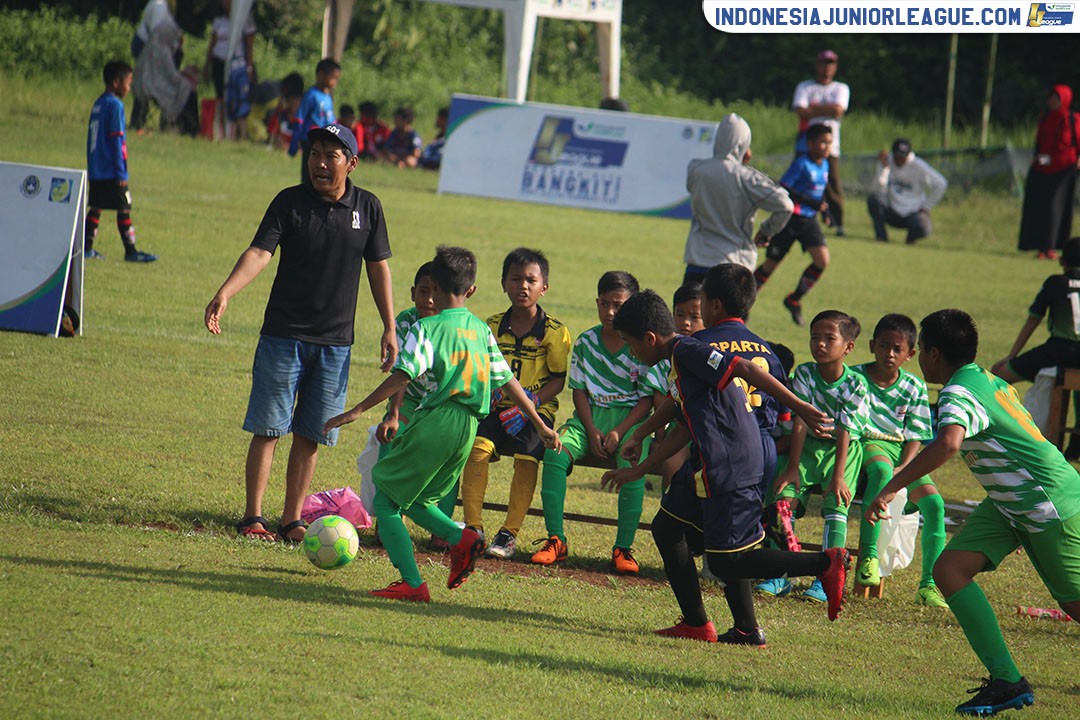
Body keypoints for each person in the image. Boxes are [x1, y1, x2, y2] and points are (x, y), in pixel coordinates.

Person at [601, 289, 849, 646]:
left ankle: (824, 564)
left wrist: (802, 407)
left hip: (731, 464)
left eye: (630, 343)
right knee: (668, 529)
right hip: (712, 464)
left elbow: (744, 368)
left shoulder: (688, 350)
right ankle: (706, 625)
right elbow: (685, 421)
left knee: (729, 562)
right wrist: (641, 454)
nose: (631, 351)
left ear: (650, 338)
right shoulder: (679, 358)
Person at [866, 309, 1080, 716]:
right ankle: (1006, 681)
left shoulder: (958, 391)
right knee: (949, 570)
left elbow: (948, 443)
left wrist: (892, 485)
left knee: (1075, 604)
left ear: (931, 353)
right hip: (1010, 503)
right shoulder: (987, 378)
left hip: (1046, 503)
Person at [323, 245, 560, 602]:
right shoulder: (481, 329)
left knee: (387, 501)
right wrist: (539, 423)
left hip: (438, 420)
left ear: (432, 287)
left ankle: (413, 584)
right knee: (417, 500)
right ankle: (463, 537)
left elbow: (404, 374)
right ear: (472, 289)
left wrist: (357, 409)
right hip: (468, 428)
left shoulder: (427, 327)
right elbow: (507, 379)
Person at [204, 122, 396, 543]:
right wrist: (226, 292)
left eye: (331, 155)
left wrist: (389, 325)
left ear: (352, 163)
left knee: (312, 432)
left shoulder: (369, 207)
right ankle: (253, 516)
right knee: (269, 427)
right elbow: (259, 252)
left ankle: (292, 519)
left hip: (335, 345)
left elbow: (378, 266)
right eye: (314, 154)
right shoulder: (289, 203)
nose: (320, 163)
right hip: (283, 336)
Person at [532, 271, 653, 574]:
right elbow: (580, 392)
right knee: (555, 453)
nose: (611, 312)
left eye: (619, 304)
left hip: (629, 425)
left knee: (632, 466)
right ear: (597, 303)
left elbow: (646, 400)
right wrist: (591, 430)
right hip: (589, 422)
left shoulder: (639, 343)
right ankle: (556, 539)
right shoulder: (586, 342)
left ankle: (623, 548)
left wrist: (620, 431)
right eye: (605, 303)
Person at [459, 248, 572, 559]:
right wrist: (488, 391)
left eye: (531, 280)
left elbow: (559, 380)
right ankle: (473, 528)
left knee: (527, 458)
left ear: (543, 287)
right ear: (503, 284)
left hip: (536, 415)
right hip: (496, 411)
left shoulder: (555, 332)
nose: (523, 286)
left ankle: (509, 534)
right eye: (516, 279)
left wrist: (532, 404)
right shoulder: (491, 326)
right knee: (477, 448)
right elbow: (479, 369)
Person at [768, 310, 868, 602]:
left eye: (829, 339)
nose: (820, 344)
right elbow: (800, 421)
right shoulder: (805, 373)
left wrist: (838, 477)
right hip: (806, 447)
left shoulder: (856, 384)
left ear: (848, 347)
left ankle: (826, 579)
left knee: (837, 505)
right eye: (815, 337)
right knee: (782, 500)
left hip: (842, 451)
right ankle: (781, 574)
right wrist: (793, 468)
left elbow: (846, 431)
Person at [851, 314, 948, 607]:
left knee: (934, 505)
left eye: (897, 349)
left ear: (910, 354)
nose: (889, 354)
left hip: (902, 452)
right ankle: (868, 556)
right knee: (881, 472)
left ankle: (929, 585)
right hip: (869, 444)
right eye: (883, 346)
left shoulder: (915, 387)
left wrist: (905, 468)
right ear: (871, 345)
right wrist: (894, 473)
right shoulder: (855, 377)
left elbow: (917, 435)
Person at [372, 261, 446, 548]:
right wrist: (393, 414)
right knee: (391, 440)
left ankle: (441, 526)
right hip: (409, 399)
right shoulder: (404, 322)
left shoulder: (448, 324)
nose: (429, 299)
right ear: (413, 292)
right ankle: (388, 520)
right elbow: (401, 374)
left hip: (440, 405)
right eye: (423, 291)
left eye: (435, 293)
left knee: (443, 455)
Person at [991, 236, 1080, 460]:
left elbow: (1033, 320)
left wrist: (1012, 355)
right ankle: (1076, 442)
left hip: (1060, 348)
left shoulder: (1054, 282)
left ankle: (1002, 433)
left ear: (1061, 260)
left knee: (999, 375)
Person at [682, 113, 794, 284]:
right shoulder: (746, 177)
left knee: (691, 311)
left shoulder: (696, 169)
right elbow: (785, 205)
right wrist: (766, 230)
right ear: (744, 145)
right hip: (733, 264)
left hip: (697, 260)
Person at [754, 123, 833, 326]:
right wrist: (810, 202)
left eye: (829, 143)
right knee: (770, 266)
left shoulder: (825, 164)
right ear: (810, 143)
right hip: (790, 218)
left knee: (822, 261)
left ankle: (794, 299)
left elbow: (820, 192)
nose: (826, 147)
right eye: (822, 142)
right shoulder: (801, 163)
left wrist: (826, 212)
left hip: (808, 221)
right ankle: (743, 304)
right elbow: (785, 187)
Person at [84, 60, 158, 263]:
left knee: (96, 206)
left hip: (97, 168)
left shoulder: (98, 103)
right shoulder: (115, 106)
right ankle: (131, 251)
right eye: (128, 82)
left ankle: (86, 248)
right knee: (124, 206)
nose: (129, 87)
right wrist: (121, 171)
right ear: (116, 82)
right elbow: (117, 140)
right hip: (111, 169)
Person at [1018, 85, 1080, 260]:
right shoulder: (1045, 119)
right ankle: (1040, 247)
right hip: (1043, 169)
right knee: (1041, 208)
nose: (1052, 101)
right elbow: (1040, 143)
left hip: (1064, 170)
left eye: (1056, 98)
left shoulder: (1073, 120)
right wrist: (1038, 158)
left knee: (1056, 209)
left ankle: (1052, 247)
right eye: (1051, 97)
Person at [792, 49, 850, 236]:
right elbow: (801, 111)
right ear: (817, 65)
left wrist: (814, 108)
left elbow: (838, 110)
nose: (827, 67)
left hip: (830, 147)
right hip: (806, 144)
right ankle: (795, 216)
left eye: (830, 63)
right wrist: (826, 110)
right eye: (824, 63)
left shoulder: (840, 88)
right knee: (799, 182)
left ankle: (838, 223)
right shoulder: (805, 87)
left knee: (832, 185)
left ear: (835, 67)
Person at [868, 138, 948, 245]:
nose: (899, 160)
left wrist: (926, 206)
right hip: (892, 210)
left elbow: (941, 184)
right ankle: (881, 238)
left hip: (912, 213)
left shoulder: (918, 166)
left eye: (902, 158)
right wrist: (883, 168)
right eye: (897, 157)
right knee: (874, 199)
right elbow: (878, 189)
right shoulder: (887, 161)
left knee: (924, 227)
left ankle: (910, 240)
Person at [132, 19, 199, 137]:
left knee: (185, 89)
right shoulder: (163, 52)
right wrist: (185, 80)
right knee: (189, 92)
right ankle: (191, 129)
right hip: (156, 89)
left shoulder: (148, 48)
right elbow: (171, 76)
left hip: (143, 87)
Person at [130, 0, 181, 133]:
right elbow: (156, 36)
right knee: (146, 84)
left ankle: (164, 122)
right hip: (146, 46)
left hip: (158, 47)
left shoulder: (170, 8)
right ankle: (138, 121)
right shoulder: (159, 5)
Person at [288, 58, 340, 184]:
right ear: (321, 75)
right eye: (333, 78)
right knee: (309, 175)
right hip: (310, 141)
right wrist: (295, 141)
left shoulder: (328, 97)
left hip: (325, 141)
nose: (335, 82)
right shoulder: (311, 95)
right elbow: (299, 118)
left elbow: (331, 119)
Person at [202, 0, 254, 114]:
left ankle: (234, 124)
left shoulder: (244, 19)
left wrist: (249, 66)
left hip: (236, 64)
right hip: (218, 61)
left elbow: (250, 45)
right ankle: (221, 121)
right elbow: (212, 44)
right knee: (220, 94)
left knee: (236, 95)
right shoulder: (219, 21)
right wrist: (207, 64)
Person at [266, 72, 303, 151]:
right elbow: (271, 138)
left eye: (298, 101)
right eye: (291, 100)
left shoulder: (305, 122)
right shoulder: (280, 116)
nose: (295, 104)